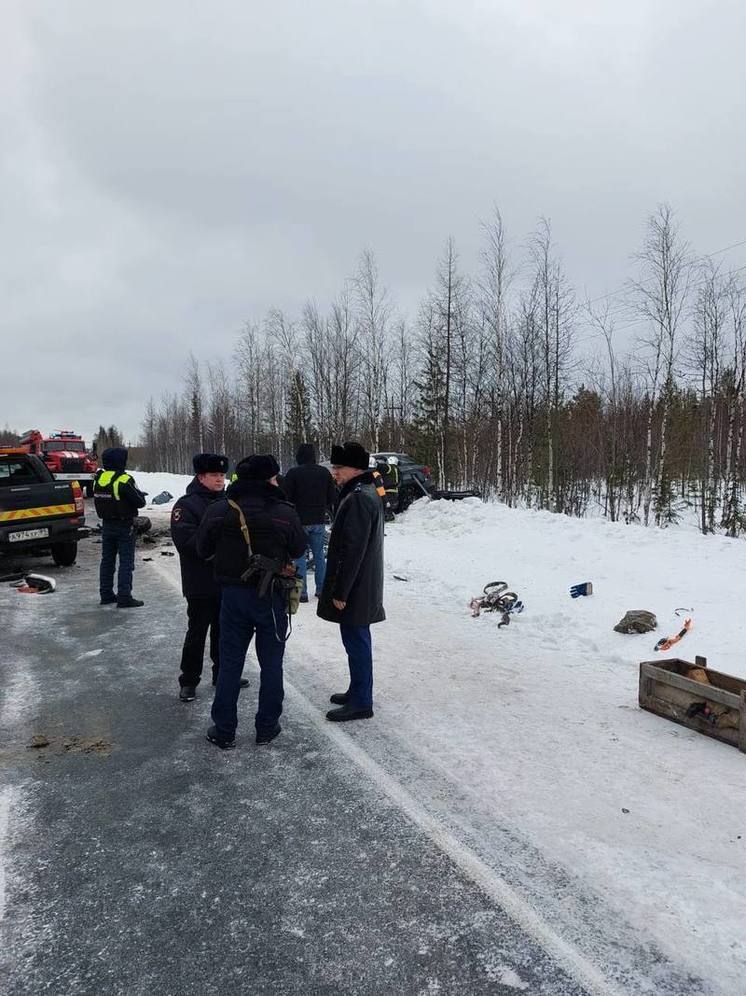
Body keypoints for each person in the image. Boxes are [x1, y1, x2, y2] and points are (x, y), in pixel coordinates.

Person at [196, 454, 307, 748]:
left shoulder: (220, 509)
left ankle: (224, 730)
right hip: (271, 597)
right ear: (269, 479)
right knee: (271, 664)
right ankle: (267, 727)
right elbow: (298, 548)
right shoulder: (284, 512)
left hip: (232, 597)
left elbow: (201, 546)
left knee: (230, 663)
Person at [171, 453, 248, 702]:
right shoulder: (186, 505)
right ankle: (189, 680)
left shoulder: (229, 502)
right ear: (201, 477)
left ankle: (223, 674)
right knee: (197, 632)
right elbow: (187, 543)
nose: (220, 480)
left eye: (222, 475)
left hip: (226, 580)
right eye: (214, 475)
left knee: (224, 632)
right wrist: (222, 551)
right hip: (200, 582)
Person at [317, 441, 385, 722]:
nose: (334, 473)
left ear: (355, 469)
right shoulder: (364, 492)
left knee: (356, 642)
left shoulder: (358, 497)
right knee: (355, 640)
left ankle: (361, 701)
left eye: (339, 468)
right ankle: (357, 690)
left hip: (357, 586)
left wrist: (341, 590)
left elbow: (352, 549)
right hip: (362, 583)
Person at [282, 443, 337, 603]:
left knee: (299, 557)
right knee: (319, 555)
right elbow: (332, 497)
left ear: (299, 456)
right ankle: (321, 589)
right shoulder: (324, 472)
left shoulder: (293, 473)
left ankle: (301, 592)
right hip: (318, 519)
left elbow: (286, 497)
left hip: (299, 520)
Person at [93, 446, 147, 608]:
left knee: (107, 560)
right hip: (124, 525)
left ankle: (106, 594)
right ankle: (124, 596)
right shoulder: (124, 479)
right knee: (126, 562)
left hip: (107, 525)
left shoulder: (99, 477)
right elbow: (140, 502)